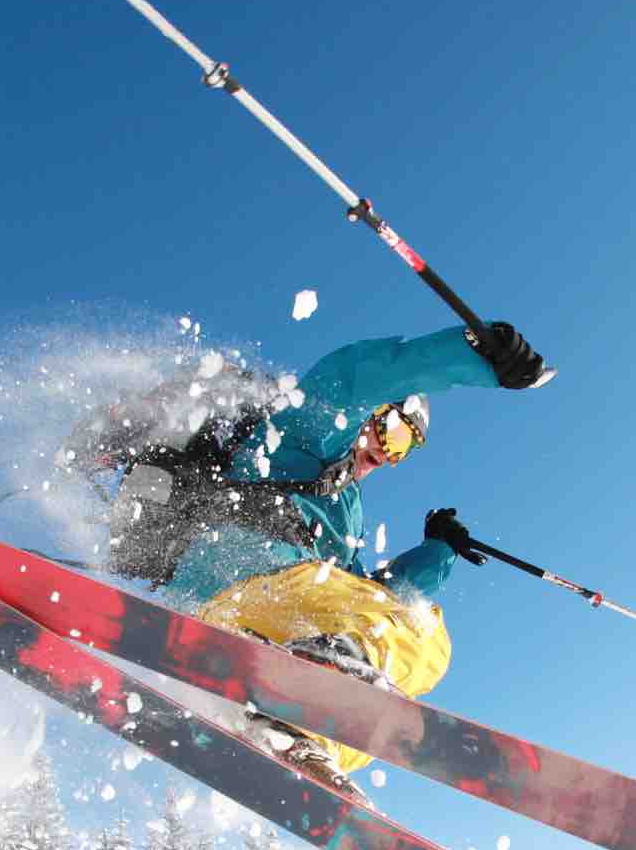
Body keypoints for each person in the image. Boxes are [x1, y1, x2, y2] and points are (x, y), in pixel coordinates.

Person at [145, 320, 544, 796]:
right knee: (422, 633)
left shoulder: (347, 512)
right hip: (245, 566)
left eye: (404, 450)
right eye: (391, 432)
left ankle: (294, 738)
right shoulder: (305, 435)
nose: (387, 455)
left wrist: (438, 550)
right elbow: (354, 378)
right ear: (369, 412)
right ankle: (320, 683)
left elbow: (372, 596)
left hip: (253, 615)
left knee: (408, 659)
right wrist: (474, 356)